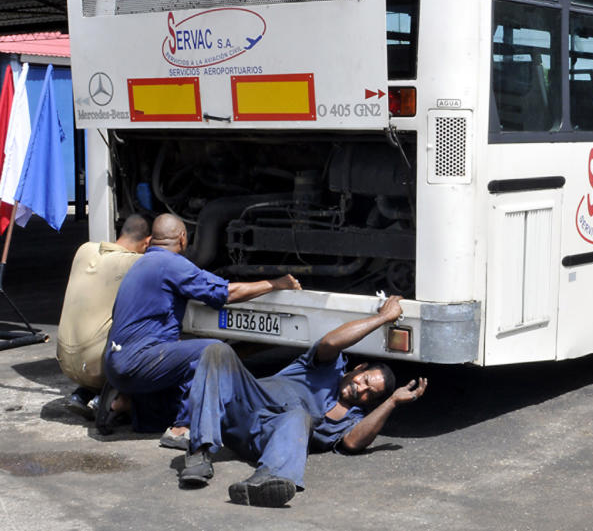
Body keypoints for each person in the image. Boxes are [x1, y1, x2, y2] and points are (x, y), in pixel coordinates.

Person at [179, 295, 427, 508]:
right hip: (243, 407)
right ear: (358, 368)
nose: (361, 389)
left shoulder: (353, 418)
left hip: (267, 438)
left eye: (370, 394)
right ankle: (200, 453)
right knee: (217, 351)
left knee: (300, 416)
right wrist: (383, 318)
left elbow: (352, 444)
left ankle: (266, 482)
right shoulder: (326, 368)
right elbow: (330, 342)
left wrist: (392, 401)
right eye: (364, 380)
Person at [100, 213, 301, 443]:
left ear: (152, 239)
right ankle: (181, 430)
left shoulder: (140, 264)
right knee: (210, 351)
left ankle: (125, 405)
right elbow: (226, 292)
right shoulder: (171, 263)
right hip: (136, 363)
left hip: (115, 364)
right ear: (183, 238)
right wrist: (275, 283)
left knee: (175, 392)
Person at [56, 214, 151, 418]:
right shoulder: (136, 263)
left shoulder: (85, 249)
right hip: (96, 367)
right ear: (148, 241)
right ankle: (112, 396)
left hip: (65, 361)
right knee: (146, 326)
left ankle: (83, 394)